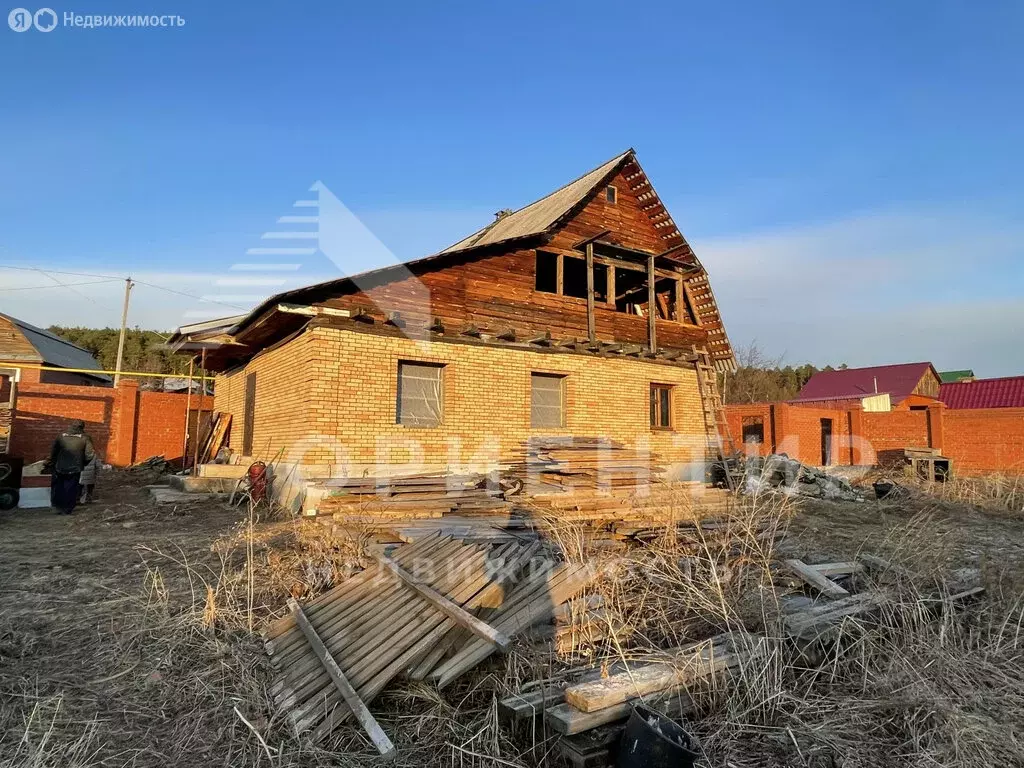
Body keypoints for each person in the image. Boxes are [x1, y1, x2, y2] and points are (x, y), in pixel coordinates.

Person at [45, 419, 95, 515]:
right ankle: (67, 509)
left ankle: (57, 506)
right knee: (71, 488)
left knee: (59, 487)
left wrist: (52, 463)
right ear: (82, 427)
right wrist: (83, 463)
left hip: (60, 467)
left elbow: (54, 452)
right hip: (75, 468)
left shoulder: (61, 436)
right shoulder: (85, 438)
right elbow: (90, 454)